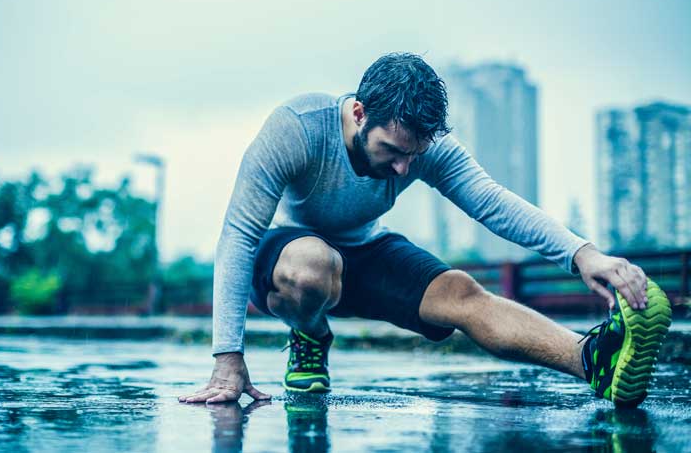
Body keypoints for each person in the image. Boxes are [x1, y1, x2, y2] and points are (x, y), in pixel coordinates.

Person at [178, 52, 672, 408]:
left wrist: (583, 254)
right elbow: (239, 234)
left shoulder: (422, 147)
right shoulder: (297, 128)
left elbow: (493, 202)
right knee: (313, 264)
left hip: (366, 249)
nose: (402, 169)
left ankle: (592, 360)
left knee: (462, 292)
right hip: (288, 258)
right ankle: (310, 335)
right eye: (393, 151)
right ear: (359, 113)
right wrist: (228, 358)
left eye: (413, 156)